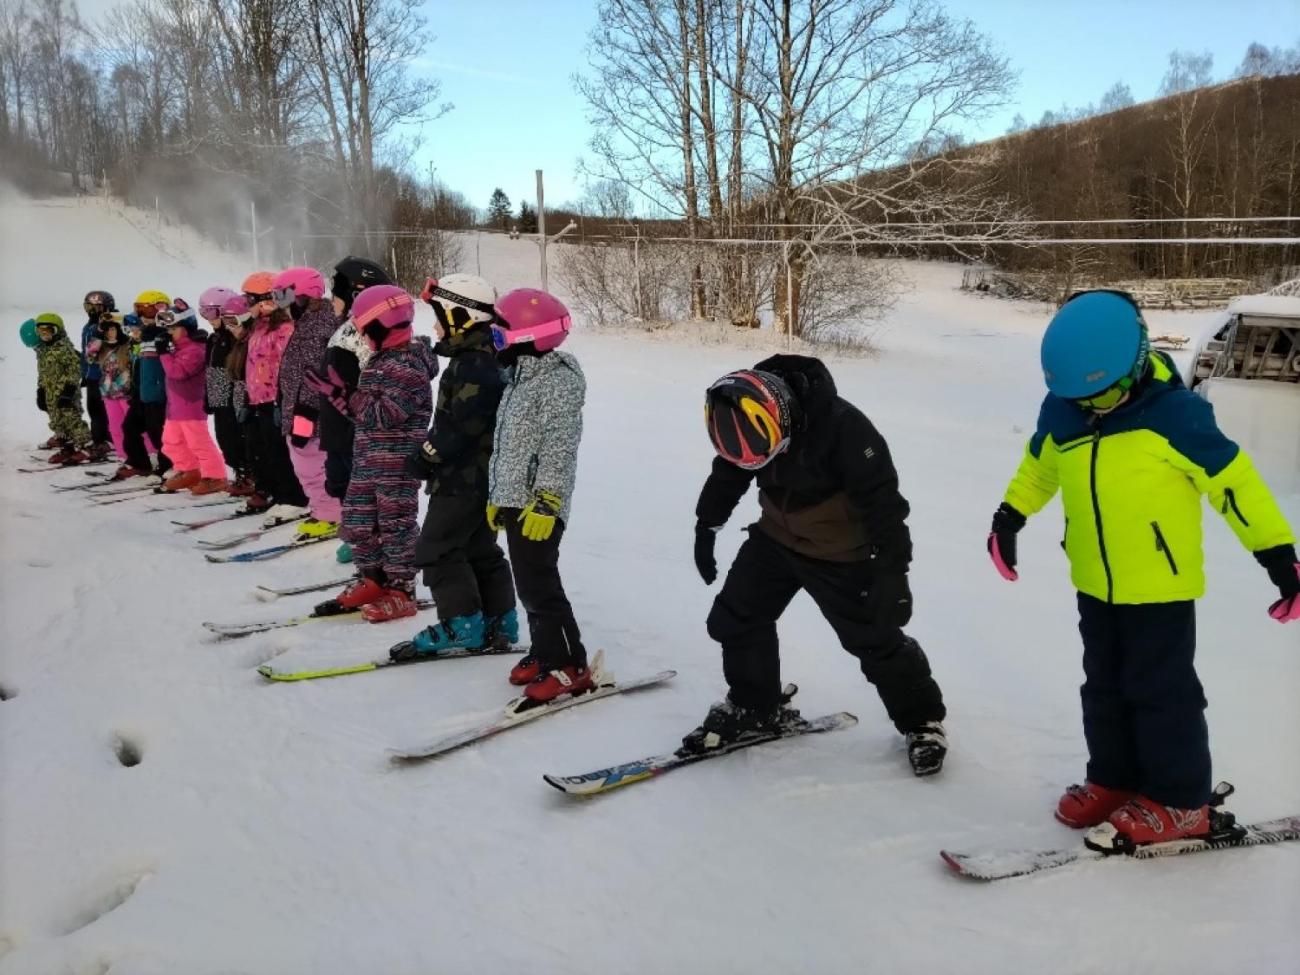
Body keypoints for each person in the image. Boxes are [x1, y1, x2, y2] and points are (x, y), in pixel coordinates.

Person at [987, 289, 1298, 849]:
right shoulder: (1064, 408)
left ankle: (1181, 802)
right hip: (1093, 581)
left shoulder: (1176, 416)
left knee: (1162, 693)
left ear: (1131, 367)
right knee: (1102, 688)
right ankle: (1114, 778)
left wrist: (1279, 556)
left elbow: (1235, 486)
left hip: (1160, 586)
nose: (1091, 408)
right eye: (1080, 397)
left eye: (1101, 396)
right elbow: (1040, 467)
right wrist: (1009, 517)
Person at [688, 356, 948, 775]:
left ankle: (922, 721)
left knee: (875, 640)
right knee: (736, 617)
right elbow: (729, 473)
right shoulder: (746, 418)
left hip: (842, 554)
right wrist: (707, 525)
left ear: (784, 418)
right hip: (775, 538)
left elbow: (885, 507)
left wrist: (893, 573)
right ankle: (755, 706)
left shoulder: (846, 429)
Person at [398, 274, 517, 659]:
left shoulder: (472, 365)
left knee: (437, 547)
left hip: (463, 479)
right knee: (479, 547)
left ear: (460, 316)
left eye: (439, 316)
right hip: (483, 479)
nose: (434, 326)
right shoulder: (487, 357)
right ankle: (500, 618)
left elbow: (457, 427)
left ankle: (462, 622)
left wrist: (425, 456)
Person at [307, 285, 437, 622]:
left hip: (396, 463)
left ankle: (401, 589)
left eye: (365, 330)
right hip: (368, 457)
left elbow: (383, 414)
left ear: (381, 327)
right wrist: (338, 396)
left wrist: (349, 393)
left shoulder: (409, 366)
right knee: (358, 520)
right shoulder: (381, 360)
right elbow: (362, 414)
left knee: (395, 525)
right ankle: (373, 578)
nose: (361, 337)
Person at [485, 289, 587, 704]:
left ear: (531, 337)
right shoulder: (520, 376)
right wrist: (498, 494)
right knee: (527, 582)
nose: (495, 345)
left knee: (540, 584)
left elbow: (559, 447)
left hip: (539, 505)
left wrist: (547, 499)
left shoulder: (557, 382)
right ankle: (545, 650)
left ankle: (570, 665)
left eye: (499, 336)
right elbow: (509, 444)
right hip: (515, 499)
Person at [321, 256, 391, 563]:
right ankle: (358, 533)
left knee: (360, 486)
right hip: (336, 422)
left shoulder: (366, 333)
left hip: (355, 428)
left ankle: (375, 540)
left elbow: (371, 384)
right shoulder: (345, 328)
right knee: (340, 480)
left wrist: (355, 423)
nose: (330, 300)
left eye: (335, 293)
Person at [273, 266, 343, 542]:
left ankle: (330, 514)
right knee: (306, 460)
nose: (283, 306)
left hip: (309, 411)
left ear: (302, 295)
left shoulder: (318, 325)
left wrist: (305, 409)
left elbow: (316, 371)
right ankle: (325, 508)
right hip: (300, 406)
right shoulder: (309, 321)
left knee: (310, 462)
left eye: (285, 297)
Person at [241, 270, 309, 523]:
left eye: (251, 299)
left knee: (281, 451)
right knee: (267, 450)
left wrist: (284, 398)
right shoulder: (258, 328)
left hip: (276, 399)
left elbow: (285, 366)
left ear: (267, 299)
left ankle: (295, 498)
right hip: (260, 399)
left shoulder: (285, 329)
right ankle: (280, 494)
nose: (247, 305)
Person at [156, 301, 228, 494]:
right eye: (168, 329)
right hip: (176, 407)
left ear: (186, 328)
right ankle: (189, 470)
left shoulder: (196, 350)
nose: (170, 333)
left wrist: (163, 353)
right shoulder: (178, 349)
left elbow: (177, 372)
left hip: (191, 406)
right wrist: (167, 350)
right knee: (171, 441)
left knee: (199, 443)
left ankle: (216, 475)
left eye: (174, 328)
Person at [199, 286, 251, 494]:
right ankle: (239, 472)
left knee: (238, 436)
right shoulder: (214, 339)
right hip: (219, 394)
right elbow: (210, 370)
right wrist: (208, 396)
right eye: (205, 313)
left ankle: (249, 473)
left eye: (212, 313)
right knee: (224, 437)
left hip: (234, 395)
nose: (209, 319)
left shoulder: (235, 339)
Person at [115, 290, 172, 480]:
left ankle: (168, 466)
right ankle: (139, 462)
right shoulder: (143, 336)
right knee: (129, 427)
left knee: (159, 433)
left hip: (159, 395)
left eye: (146, 311)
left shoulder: (166, 336)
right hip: (142, 393)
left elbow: (169, 366)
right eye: (139, 311)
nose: (142, 317)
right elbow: (139, 366)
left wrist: (162, 391)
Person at [220, 295, 264, 508]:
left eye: (233, 322)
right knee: (245, 444)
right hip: (241, 400)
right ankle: (255, 481)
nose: (230, 328)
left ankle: (263, 485)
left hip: (256, 401)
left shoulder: (252, 341)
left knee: (257, 446)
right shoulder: (236, 343)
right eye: (226, 322)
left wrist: (248, 402)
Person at [33, 312, 92, 465]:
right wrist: (40, 390)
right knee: (56, 421)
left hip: (66, 392)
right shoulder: (42, 350)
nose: (45, 336)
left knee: (71, 419)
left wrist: (69, 389)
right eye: (41, 332)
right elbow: (43, 371)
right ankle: (68, 447)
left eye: (48, 331)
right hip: (50, 392)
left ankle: (86, 446)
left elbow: (75, 369)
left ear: (57, 331)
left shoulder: (64, 348)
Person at [84, 312, 134, 462]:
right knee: (115, 427)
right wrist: (98, 335)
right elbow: (89, 357)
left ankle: (148, 454)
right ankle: (122, 455)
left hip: (127, 392)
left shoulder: (128, 344)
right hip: (109, 393)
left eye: (113, 329)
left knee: (133, 426)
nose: (110, 333)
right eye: (107, 330)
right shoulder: (101, 347)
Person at [79, 290, 115, 460]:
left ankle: (107, 440)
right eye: (89, 307)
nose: (92, 312)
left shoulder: (108, 326)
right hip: (91, 376)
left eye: (97, 308)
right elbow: (86, 352)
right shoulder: (88, 326)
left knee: (104, 410)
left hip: (105, 376)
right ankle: (98, 439)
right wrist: (84, 373)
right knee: (94, 409)